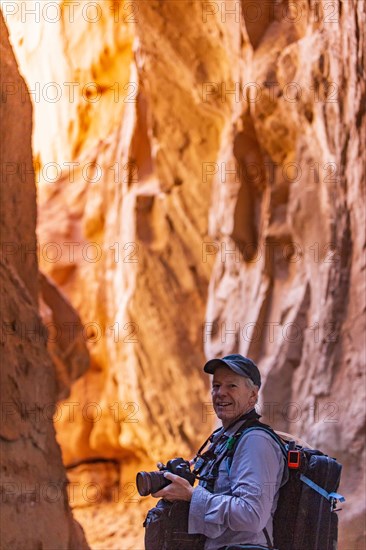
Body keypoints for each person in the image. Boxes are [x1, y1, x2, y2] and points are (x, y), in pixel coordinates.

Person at [152, 354, 287, 549]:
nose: (220, 393)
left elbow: (252, 515)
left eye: (232, 386)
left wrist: (192, 496)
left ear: (253, 395)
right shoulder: (224, 438)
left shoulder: (255, 442)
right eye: (216, 386)